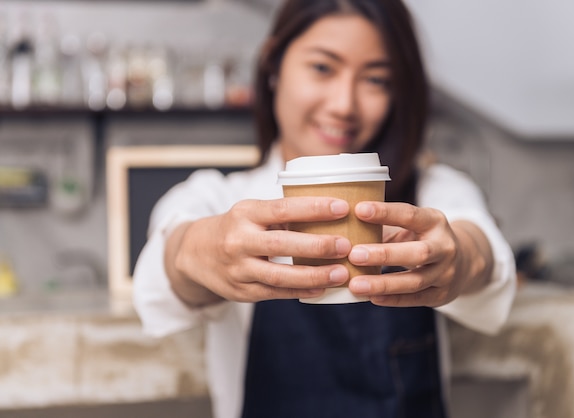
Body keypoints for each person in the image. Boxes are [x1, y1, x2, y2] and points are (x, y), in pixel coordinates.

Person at [133, 0, 516, 417]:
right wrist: (199, 250)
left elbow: (481, 248)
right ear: (273, 66)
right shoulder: (223, 199)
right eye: (322, 68)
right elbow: (166, 264)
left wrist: (459, 258)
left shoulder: (430, 191)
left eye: (375, 79)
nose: (344, 105)